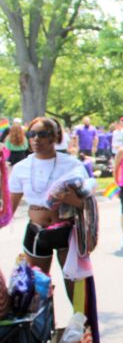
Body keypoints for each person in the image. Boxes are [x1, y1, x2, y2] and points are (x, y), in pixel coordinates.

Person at [8, 117, 88, 301]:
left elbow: (87, 204)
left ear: (55, 136)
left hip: (67, 233)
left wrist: (69, 198)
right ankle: (44, 329)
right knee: (37, 288)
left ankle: (82, 326)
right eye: (32, 134)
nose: (36, 139)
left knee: (76, 289)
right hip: (37, 233)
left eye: (42, 134)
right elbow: (8, 211)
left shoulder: (72, 164)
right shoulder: (21, 168)